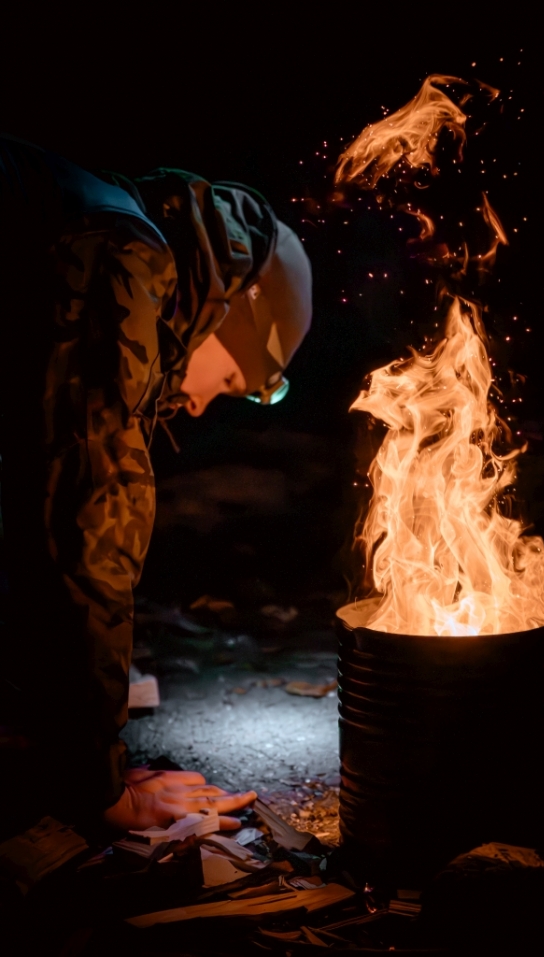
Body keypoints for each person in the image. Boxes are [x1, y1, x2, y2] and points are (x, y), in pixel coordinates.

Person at [0, 135, 312, 831]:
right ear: (228, 309)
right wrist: (98, 785)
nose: (200, 405)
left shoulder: (90, 218)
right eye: (231, 381)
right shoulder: (123, 255)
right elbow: (85, 530)